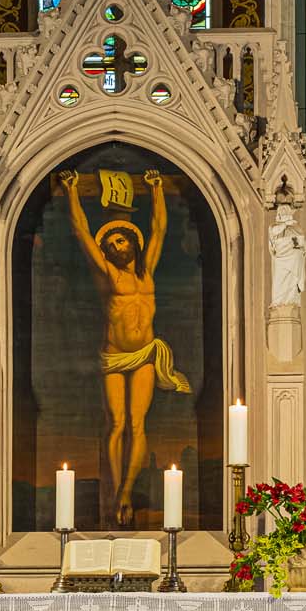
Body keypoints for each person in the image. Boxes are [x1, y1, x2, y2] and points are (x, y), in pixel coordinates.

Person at [58, 167, 190, 528]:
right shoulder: (108, 275)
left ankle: (126, 493)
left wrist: (157, 188)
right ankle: (116, 489)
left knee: (137, 422)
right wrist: (71, 191)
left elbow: (159, 229)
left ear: (133, 242)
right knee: (116, 424)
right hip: (115, 356)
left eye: (121, 241)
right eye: (111, 244)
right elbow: (82, 231)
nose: (117, 247)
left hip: (144, 354)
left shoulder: (147, 273)